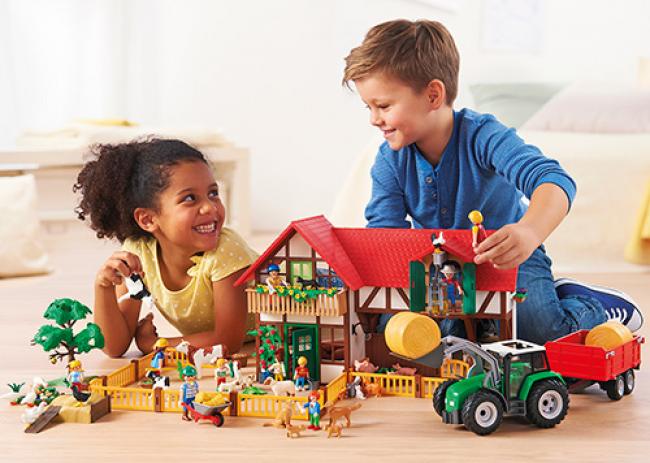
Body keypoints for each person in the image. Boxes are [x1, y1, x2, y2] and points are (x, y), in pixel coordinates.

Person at [343, 19, 643, 344]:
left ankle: (589, 304)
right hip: (441, 268)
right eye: (369, 107)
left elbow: (553, 179)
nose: (374, 119)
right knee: (410, 335)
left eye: (383, 106)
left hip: (508, 257)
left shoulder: (483, 136)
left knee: (540, 335)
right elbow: (385, 234)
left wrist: (529, 232)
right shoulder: (389, 159)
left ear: (432, 95)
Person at [74, 138, 258, 357]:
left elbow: (227, 341)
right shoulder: (139, 254)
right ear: (148, 219)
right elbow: (114, 347)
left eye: (213, 193)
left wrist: (157, 345)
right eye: (190, 198)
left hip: (287, 326)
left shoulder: (226, 251)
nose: (210, 207)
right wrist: (103, 286)